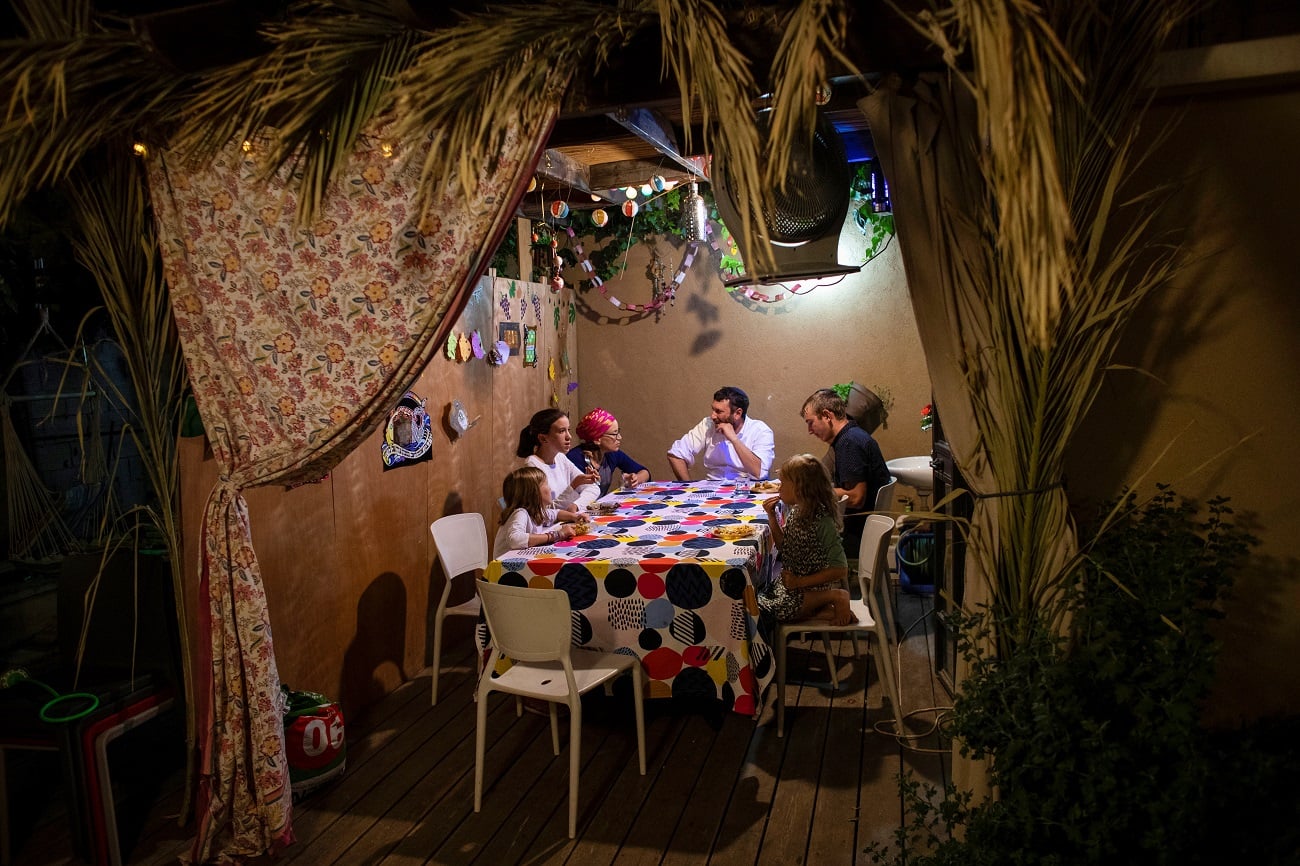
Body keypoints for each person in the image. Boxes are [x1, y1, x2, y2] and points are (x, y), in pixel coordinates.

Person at [758, 454, 857, 626]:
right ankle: (824, 612)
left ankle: (835, 596)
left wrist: (799, 582)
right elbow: (785, 548)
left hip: (807, 588)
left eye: (783, 483)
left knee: (768, 612)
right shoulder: (797, 511)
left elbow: (840, 569)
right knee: (758, 601)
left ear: (799, 488)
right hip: (793, 586)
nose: (779, 488)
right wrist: (772, 517)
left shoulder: (821, 521)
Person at [800, 388, 891, 554]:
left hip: (855, 537)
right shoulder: (851, 436)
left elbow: (856, 498)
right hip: (861, 530)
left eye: (810, 422)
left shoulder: (849, 443)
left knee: (795, 545)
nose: (810, 431)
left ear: (827, 416)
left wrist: (812, 492)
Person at [667, 386, 775, 481]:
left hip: (747, 488)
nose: (713, 416)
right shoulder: (708, 424)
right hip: (712, 488)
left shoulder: (761, 431)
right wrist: (688, 487)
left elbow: (759, 473)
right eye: (713, 410)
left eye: (718, 412)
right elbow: (676, 454)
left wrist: (734, 439)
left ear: (737, 413)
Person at [516, 408, 599, 511]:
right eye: (562, 431)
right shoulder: (532, 465)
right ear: (543, 438)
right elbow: (544, 512)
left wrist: (576, 505)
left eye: (568, 430)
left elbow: (593, 488)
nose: (569, 437)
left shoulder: (560, 458)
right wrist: (574, 486)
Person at [493, 466, 580, 557]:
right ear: (533, 492)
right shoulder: (520, 513)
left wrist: (575, 517)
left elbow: (556, 513)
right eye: (546, 484)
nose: (550, 488)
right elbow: (515, 540)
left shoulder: (536, 511)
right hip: (506, 564)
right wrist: (557, 535)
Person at [565, 407, 651, 496]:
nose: (619, 437)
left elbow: (645, 472)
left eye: (618, 432)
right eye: (614, 434)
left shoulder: (612, 454)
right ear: (597, 439)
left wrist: (635, 479)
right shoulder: (575, 459)